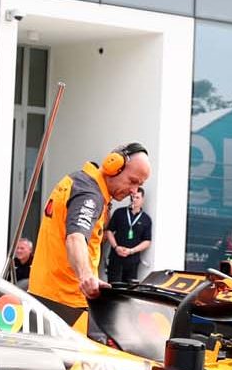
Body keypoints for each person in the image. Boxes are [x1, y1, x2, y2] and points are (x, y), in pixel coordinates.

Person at [30, 142, 151, 336]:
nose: (134, 191)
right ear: (114, 165)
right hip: (68, 305)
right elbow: (76, 237)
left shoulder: (76, 181)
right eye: (132, 181)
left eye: (139, 186)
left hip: (43, 292)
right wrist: (86, 276)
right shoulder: (90, 196)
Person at [102, 188, 151, 284]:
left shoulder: (146, 219)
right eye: (133, 197)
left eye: (137, 197)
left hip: (132, 261)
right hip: (116, 259)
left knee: (129, 292)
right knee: (113, 288)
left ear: (142, 199)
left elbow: (147, 241)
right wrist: (116, 247)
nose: (134, 200)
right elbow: (109, 231)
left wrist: (131, 251)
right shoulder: (119, 213)